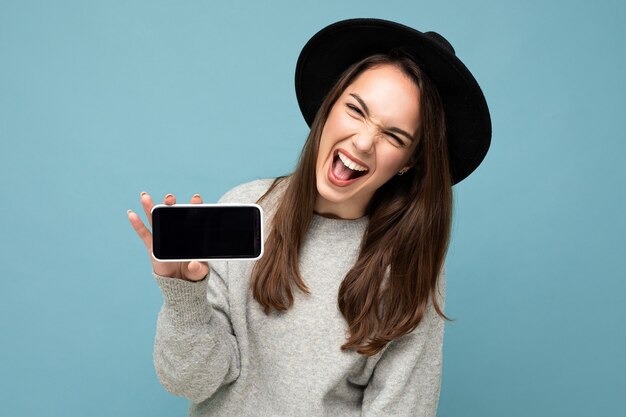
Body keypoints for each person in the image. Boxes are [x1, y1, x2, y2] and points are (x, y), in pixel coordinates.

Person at [127, 18, 491, 417]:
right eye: (356, 110)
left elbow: (402, 408)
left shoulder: (406, 265)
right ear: (329, 106)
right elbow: (190, 382)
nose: (364, 141)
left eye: (394, 136)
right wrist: (184, 299)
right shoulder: (248, 208)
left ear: (409, 163)